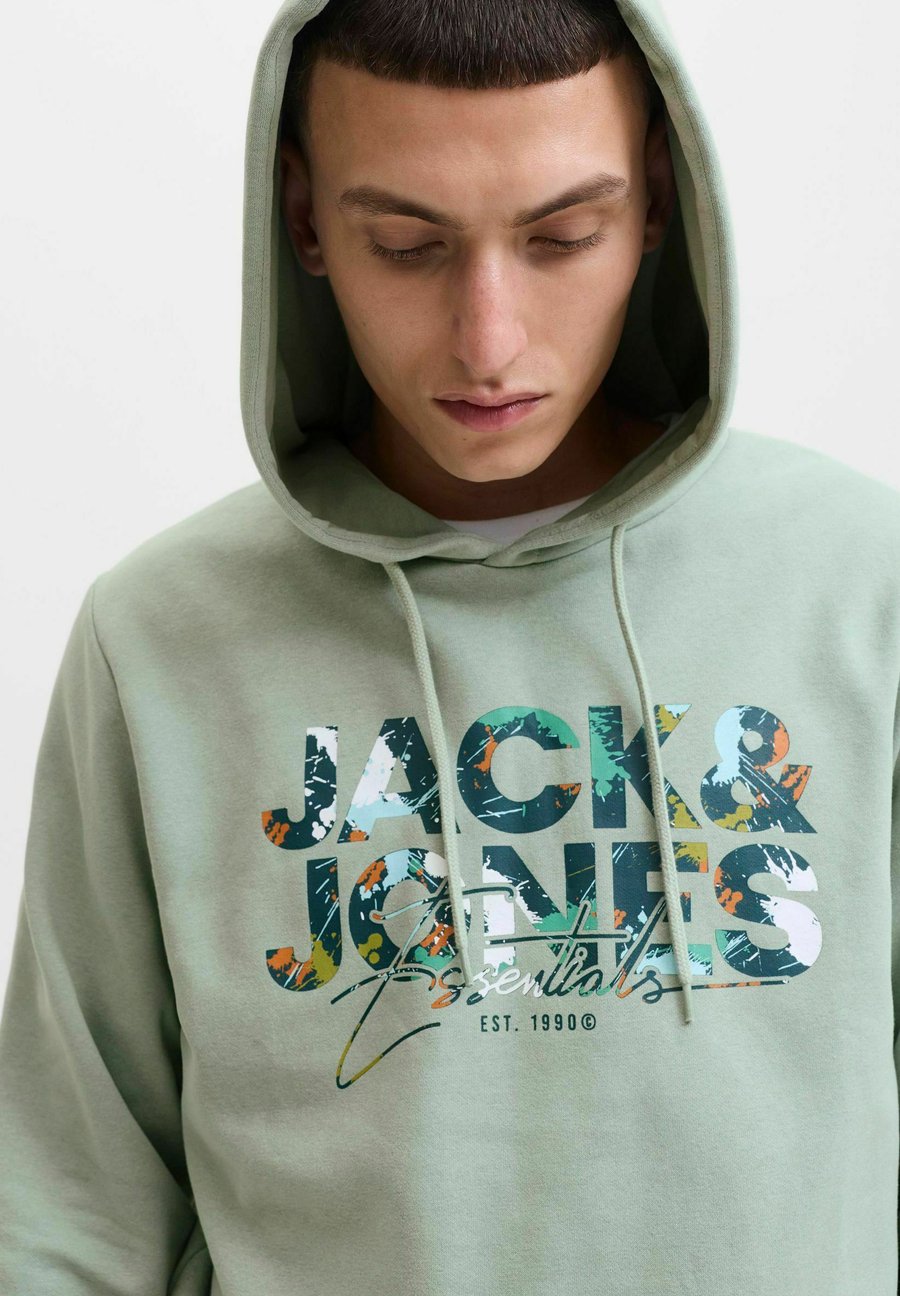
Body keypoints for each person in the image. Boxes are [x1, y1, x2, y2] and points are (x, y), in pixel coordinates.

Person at [1, 0, 898, 1291]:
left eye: (562, 237)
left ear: (657, 203)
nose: (489, 340)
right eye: (408, 247)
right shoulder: (161, 636)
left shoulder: (863, 583)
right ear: (304, 220)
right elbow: (71, 1201)